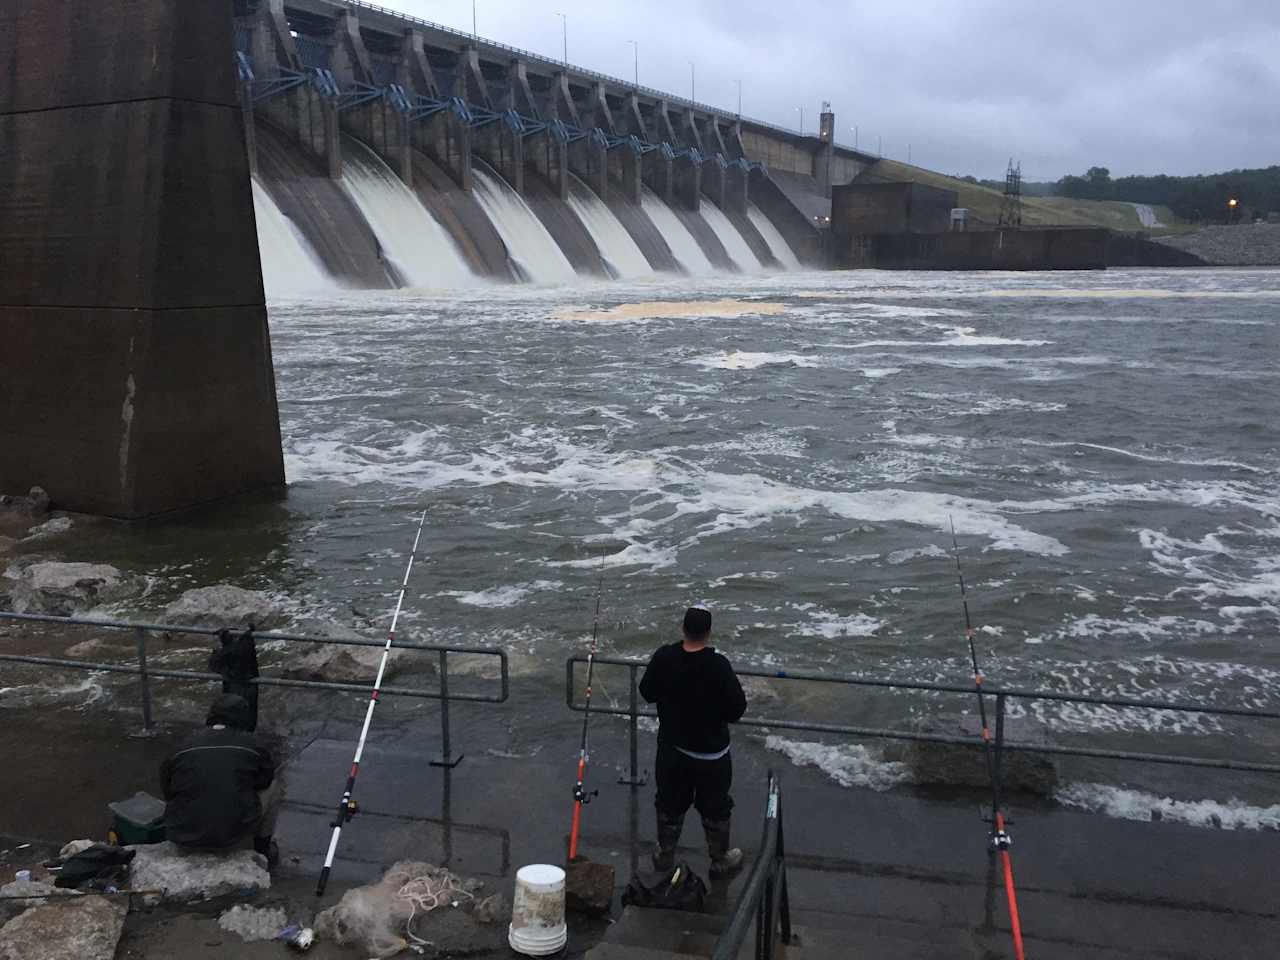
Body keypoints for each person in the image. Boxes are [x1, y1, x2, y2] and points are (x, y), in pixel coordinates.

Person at [639, 606, 747, 876]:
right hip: (712, 755)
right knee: (716, 808)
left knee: (669, 803)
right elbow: (736, 710)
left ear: (683, 629)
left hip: (673, 750)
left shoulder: (665, 657)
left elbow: (646, 692)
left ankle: (665, 855)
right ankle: (720, 858)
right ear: (708, 633)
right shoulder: (718, 666)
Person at [160, 693, 281, 868]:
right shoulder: (253, 744)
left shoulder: (183, 744)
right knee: (274, 786)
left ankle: (194, 822)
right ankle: (263, 848)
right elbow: (264, 780)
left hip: (182, 832)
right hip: (232, 835)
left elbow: (167, 786)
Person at [209, 626, 260, 732]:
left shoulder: (225, 656)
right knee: (245, 718)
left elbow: (214, 665)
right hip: (244, 684)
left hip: (235, 684)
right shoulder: (244, 652)